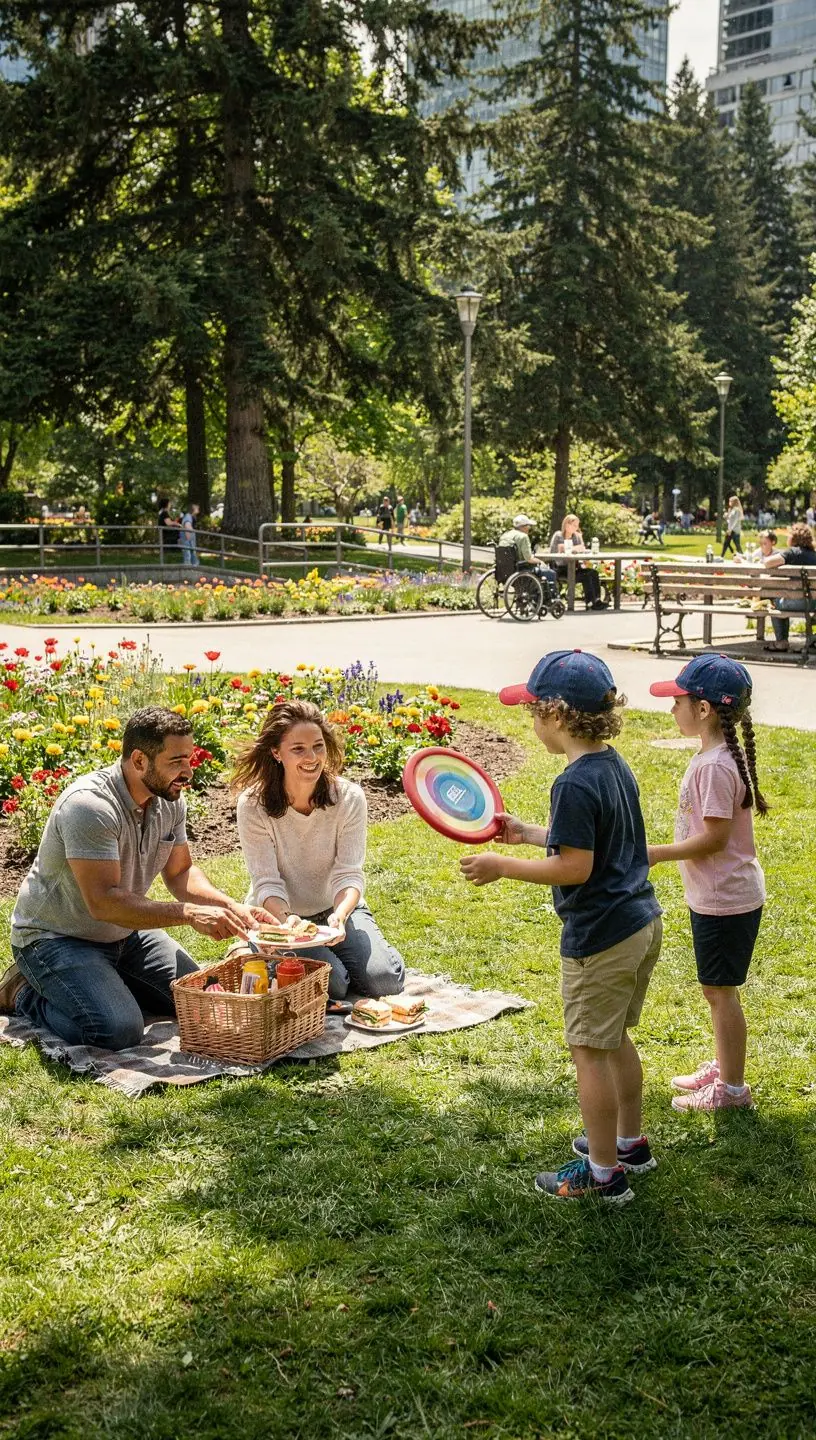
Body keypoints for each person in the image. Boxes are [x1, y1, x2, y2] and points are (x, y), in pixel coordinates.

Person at [460, 651, 662, 1204]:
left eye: (532, 711)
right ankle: (628, 1144)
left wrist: (502, 866)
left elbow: (575, 865)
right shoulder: (611, 764)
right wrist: (527, 834)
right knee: (614, 1036)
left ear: (556, 714)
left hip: (600, 936)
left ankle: (601, 1175)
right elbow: (588, 839)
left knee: (588, 1050)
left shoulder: (572, 782)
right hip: (639, 921)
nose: (530, 721)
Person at [0, 708, 263, 1049]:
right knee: (116, 1031)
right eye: (177, 760)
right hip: (57, 938)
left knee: (201, 1002)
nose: (188, 771)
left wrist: (231, 906)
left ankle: (106, 980)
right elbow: (104, 902)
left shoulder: (169, 799)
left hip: (126, 932)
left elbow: (181, 872)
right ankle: (22, 992)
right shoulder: (90, 807)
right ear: (139, 760)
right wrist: (187, 913)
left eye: (191, 758)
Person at [647, 657, 767, 1113]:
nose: (671, 709)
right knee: (716, 991)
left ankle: (732, 1090)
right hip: (721, 895)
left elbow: (715, 839)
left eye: (677, 702)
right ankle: (725, 1063)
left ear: (704, 710)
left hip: (725, 899)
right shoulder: (714, 757)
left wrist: (657, 853)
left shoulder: (715, 766)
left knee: (721, 993)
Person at [233, 699, 405, 1001]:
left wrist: (339, 916)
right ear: (276, 752)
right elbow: (266, 881)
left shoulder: (349, 797)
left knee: (384, 983)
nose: (312, 757)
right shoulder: (253, 805)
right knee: (334, 984)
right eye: (298, 749)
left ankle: (311, 957)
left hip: (335, 908)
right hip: (280, 916)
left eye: (318, 746)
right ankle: (260, 946)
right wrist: (289, 923)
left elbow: (349, 873)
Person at [762, 521, 816, 651]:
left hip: (795, 603)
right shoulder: (814, 555)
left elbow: (768, 563)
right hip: (814, 603)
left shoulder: (792, 553)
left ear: (794, 538)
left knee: (774, 601)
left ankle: (781, 642)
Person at [549, 514, 605, 608]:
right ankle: (590, 603)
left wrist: (581, 544)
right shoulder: (558, 535)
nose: (576, 528)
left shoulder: (576, 537)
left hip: (574, 567)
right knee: (586, 576)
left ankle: (597, 600)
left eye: (577, 525)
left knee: (593, 572)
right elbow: (557, 551)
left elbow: (582, 550)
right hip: (561, 569)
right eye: (574, 525)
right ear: (567, 525)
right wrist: (573, 549)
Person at [498, 514, 558, 595]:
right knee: (550, 573)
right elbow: (528, 559)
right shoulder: (523, 537)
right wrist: (541, 562)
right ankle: (549, 598)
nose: (529, 529)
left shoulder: (505, 535)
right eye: (528, 526)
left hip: (505, 570)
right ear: (523, 527)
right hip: (521, 569)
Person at [180, 501, 200, 566]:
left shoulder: (190, 517)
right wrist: (189, 537)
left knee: (190, 554)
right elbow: (187, 526)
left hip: (189, 540)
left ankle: (192, 566)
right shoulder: (188, 516)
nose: (198, 509)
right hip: (188, 540)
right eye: (197, 508)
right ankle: (189, 568)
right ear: (193, 509)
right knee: (188, 554)